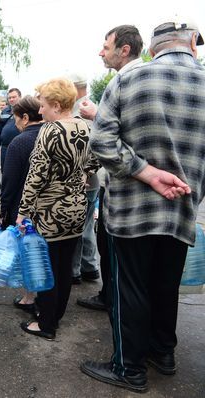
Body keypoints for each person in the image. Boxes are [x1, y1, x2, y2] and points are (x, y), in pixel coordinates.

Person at [81, 18, 205, 393]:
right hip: (183, 209)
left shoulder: (129, 79)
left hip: (132, 212)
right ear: (192, 47)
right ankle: (162, 353)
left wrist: (147, 172)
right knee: (166, 285)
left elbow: (100, 144)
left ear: (152, 49)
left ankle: (129, 368)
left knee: (129, 288)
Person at [16, 78, 98, 340]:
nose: (39, 111)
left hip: (50, 212)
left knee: (48, 267)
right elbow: (96, 159)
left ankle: (46, 324)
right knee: (64, 268)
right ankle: (55, 316)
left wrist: (23, 211)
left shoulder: (49, 131)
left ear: (55, 104)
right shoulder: (85, 127)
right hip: (76, 207)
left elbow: (35, 176)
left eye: (42, 105)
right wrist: (83, 176)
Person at [75, 25, 144, 312]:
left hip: (128, 187)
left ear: (124, 49)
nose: (100, 52)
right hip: (113, 184)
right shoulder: (122, 80)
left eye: (105, 46)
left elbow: (109, 139)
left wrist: (97, 115)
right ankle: (109, 295)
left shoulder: (130, 80)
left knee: (122, 258)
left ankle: (126, 341)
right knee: (106, 245)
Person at [0, 96, 44, 313]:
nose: (15, 124)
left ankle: (29, 298)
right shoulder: (50, 135)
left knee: (28, 253)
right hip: (49, 207)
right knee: (43, 254)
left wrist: (4, 209)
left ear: (25, 118)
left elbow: (9, 180)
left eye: (16, 119)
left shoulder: (20, 142)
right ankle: (42, 297)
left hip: (23, 206)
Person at [67, 73, 101, 285]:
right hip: (90, 180)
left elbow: (91, 149)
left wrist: (83, 174)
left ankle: (75, 271)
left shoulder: (83, 111)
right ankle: (90, 267)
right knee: (86, 226)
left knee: (78, 227)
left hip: (85, 181)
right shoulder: (89, 107)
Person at [0, 88, 22, 172]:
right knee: (5, 172)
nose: (11, 99)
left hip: (19, 147)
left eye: (14, 97)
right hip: (5, 148)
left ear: (20, 97)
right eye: (9, 98)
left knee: (17, 172)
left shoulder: (24, 110)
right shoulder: (5, 111)